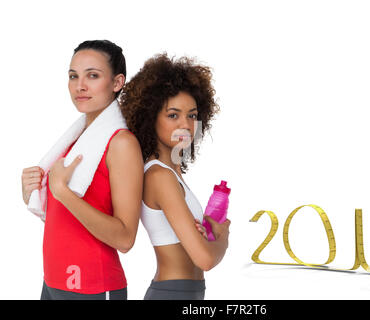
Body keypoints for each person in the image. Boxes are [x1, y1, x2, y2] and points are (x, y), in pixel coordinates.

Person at [21, 40, 143, 300]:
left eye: (93, 75)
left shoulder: (121, 143)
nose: (80, 86)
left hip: (92, 286)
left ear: (117, 82)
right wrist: (32, 193)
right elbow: (66, 220)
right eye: (73, 76)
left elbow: (125, 239)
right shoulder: (76, 142)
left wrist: (62, 192)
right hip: (53, 281)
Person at [120, 53, 230, 300]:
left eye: (191, 115)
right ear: (150, 118)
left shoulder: (172, 173)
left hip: (188, 293)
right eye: (173, 115)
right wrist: (223, 239)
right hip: (171, 294)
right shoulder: (159, 176)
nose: (186, 125)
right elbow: (204, 259)